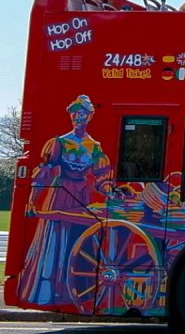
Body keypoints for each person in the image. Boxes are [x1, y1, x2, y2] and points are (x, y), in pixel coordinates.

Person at [19, 95, 112, 305]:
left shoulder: (95, 146)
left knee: (78, 241)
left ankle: (72, 292)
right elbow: (44, 173)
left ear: (89, 117)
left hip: (81, 198)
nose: (78, 117)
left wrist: (110, 190)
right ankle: (48, 292)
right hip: (60, 195)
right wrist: (32, 201)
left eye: (82, 113)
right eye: (75, 113)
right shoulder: (59, 142)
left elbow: (101, 178)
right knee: (55, 240)